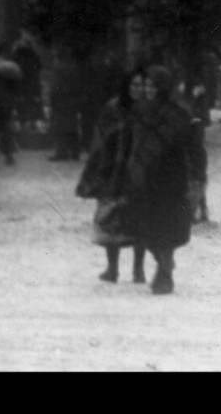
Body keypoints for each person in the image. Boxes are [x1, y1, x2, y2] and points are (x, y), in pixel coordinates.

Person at [126, 65, 203, 295]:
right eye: (146, 86)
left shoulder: (179, 112)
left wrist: (197, 177)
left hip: (171, 176)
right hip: (145, 175)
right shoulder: (140, 110)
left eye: (153, 86)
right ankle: (162, 260)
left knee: (167, 227)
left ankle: (164, 272)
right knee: (146, 229)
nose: (148, 90)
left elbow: (194, 147)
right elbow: (134, 142)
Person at [77, 68, 147, 284]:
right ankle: (112, 268)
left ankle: (138, 269)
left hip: (138, 169)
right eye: (134, 84)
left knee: (139, 219)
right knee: (110, 217)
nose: (138, 89)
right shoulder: (113, 108)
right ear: (127, 86)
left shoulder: (148, 109)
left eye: (142, 85)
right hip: (112, 169)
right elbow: (100, 138)